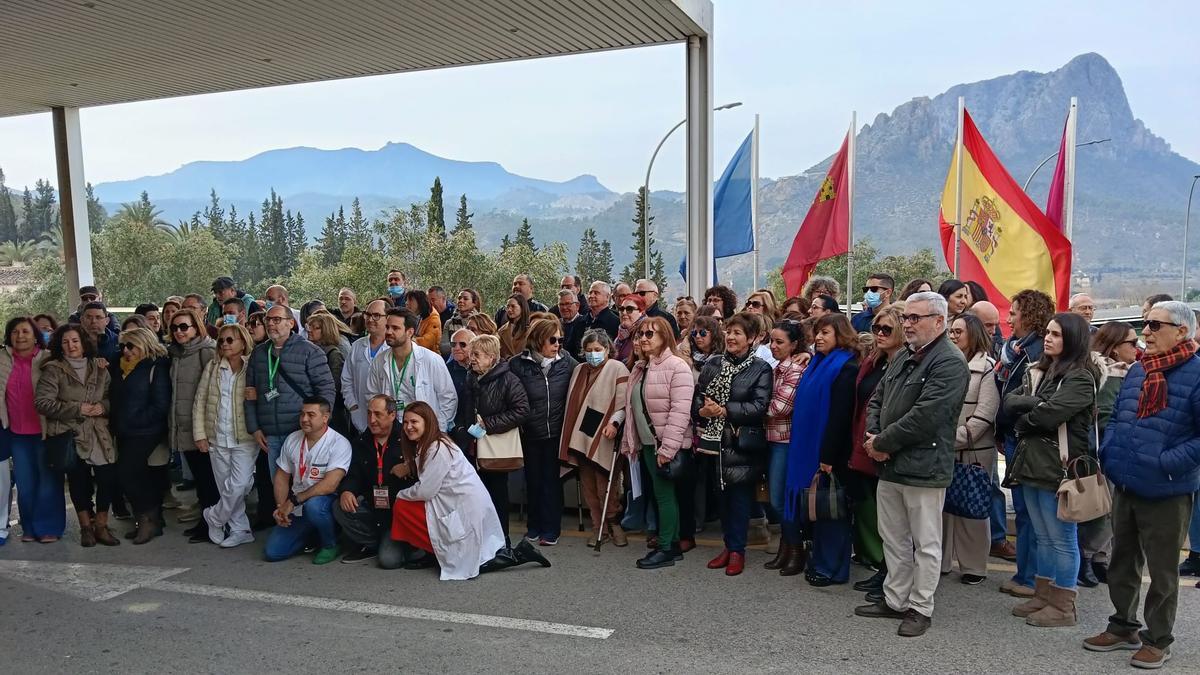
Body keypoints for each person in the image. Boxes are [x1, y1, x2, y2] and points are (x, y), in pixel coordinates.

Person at [1083, 301, 1200, 668]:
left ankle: (1158, 639)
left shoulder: (1197, 374)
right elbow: (1118, 417)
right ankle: (1122, 626)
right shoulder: (1139, 371)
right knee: (1121, 561)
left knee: (1162, 571)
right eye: (1144, 325)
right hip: (1127, 481)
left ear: (1181, 331)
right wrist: (1112, 452)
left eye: (1153, 325)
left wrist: (1166, 463)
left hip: (1166, 489)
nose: (1145, 332)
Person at [855, 291, 968, 638]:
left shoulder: (949, 362)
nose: (908, 324)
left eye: (915, 318)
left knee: (926, 542)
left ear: (939, 321)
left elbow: (927, 417)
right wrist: (875, 438)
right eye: (907, 318)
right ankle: (895, 599)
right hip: (890, 465)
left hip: (923, 467)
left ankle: (921, 607)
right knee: (894, 538)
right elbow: (878, 399)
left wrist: (883, 443)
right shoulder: (905, 355)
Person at [1003, 312, 1098, 627]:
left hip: (1057, 465)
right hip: (1033, 462)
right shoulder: (1042, 370)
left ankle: (1063, 604)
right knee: (1044, 536)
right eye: (1048, 332)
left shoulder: (1081, 376)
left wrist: (1026, 415)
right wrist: (1033, 408)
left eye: (1056, 334)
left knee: (1061, 537)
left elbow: (1050, 415)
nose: (1048, 337)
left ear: (1072, 339)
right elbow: (1011, 400)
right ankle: (1043, 596)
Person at [391, 401, 548, 579]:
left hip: (463, 508)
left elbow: (426, 491)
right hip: (459, 504)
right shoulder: (431, 443)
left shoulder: (437, 448)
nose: (408, 427)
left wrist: (401, 494)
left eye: (414, 422)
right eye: (405, 422)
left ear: (427, 422)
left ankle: (519, 554)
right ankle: (434, 553)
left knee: (468, 562)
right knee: (470, 556)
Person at [779, 314, 858, 585]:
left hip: (829, 453)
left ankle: (832, 568)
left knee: (832, 511)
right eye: (818, 332)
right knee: (819, 510)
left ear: (841, 335)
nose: (819, 337)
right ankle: (820, 560)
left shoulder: (846, 366)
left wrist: (827, 456)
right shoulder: (817, 363)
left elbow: (840, 417)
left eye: (826, 332)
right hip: (808, 448)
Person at [694, 312, 773, 577]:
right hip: (712, 441)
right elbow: (699, 396)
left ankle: (738, 550)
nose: (731, 337)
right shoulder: (713, 363)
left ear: (751, 338)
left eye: (738, 333)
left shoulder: (760, 368)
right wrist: (703, 411)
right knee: (722, 498)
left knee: (739, 498)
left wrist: (725, 410)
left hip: (740, 444)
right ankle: (728, 546)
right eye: (729, 331)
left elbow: (759, 406)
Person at [994, 289, 1055, 596]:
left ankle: (1030, 578)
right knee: (1025, 510)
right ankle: (1026, 575)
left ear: (1029, 316)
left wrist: (1010, 411)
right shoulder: (1014, 349)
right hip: (1012, 435)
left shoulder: (1034, 354)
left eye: (1014, 312)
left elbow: (1024, 398)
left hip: (1023, 436)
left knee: (1030, 513)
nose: (1009, 317)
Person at [35, 324, 118, 547]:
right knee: (78, 480)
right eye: (65, 341)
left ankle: (101, 524)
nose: (71, 345)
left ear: (83, 343)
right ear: (59, 345)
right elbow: (42, 403)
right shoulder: (53, 369)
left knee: (107, 478)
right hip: (69, 433)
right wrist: (77, 409)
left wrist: (103, 406)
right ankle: (86, 528)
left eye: (75, 341)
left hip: (99, 433)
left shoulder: (100, 366)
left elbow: (112, 396)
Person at [619, 319, 692, 568]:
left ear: (665, 336)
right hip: (649, 443)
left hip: (664, 444)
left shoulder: (677, 367)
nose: (643, 338)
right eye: (640, 334)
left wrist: (668, 449)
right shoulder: (641, 367)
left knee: (664, 496)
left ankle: (666, 548)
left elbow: (680, 411)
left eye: (650, 333)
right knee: (662, 495)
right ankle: (670, 544)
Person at [245, 303, 336, 498]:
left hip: (302, 431)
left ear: (290, 323)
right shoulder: (259, 353)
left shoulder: (310, 351)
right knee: (279, 485)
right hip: (271, 434)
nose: (271, 324)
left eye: (277, 319)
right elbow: (250, 394)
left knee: (306, 486)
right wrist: (254, 427)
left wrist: (321, 424)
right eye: (268, 320)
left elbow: (326, 389)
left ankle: (308, 526)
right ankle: (286, 522)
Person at [848, 306, 905, 601]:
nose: (879, 334)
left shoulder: (907, 364)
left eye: (887, 329)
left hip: (890, 448)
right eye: (877, 328)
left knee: (894, 522)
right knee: (876, 514)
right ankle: (884, 569)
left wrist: (881, 442)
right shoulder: (874, 361)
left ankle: (894, 577)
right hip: (865, 442)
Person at [509, 318, 579, 546]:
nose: (557, 344)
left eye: (560, 339)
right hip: (530, 433)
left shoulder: (567, 362)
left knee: (552, 482)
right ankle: (534, 525)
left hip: (556, 434)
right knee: (533, 481)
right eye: (552, 339)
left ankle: (551, 529)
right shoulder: (518, 364)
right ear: (539, 340)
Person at [558, 330, 630, 548]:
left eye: (598, 350)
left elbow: (622, 403)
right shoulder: (579, 370)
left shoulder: (617, 368)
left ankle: (614, 522)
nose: (593, 354)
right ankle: (598, 527)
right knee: (588, 487)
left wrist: (614, 423)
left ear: (607, 349)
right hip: (580, 435)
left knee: (606, 485)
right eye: (588, 351)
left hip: (606, 434)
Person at [942, 314, 999, 585]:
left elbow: (986, 411)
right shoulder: (945, 363)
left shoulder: (986, 368)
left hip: (975, 450)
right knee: (941, 509)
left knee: (972, 509)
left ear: (973, 334)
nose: (953, 336)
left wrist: (959, 437)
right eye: (951, 331)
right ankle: (940, 562)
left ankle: (974, 566)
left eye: (958, 332)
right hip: (943, 447)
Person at [1080, 321, 1138, 587]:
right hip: (1105, 452)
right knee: (1101, 509)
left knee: (1111, 510)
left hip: (1120, 452)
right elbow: (1102, 417)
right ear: (1115, 348)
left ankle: (1099, 557)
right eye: (1132, 344)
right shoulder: (1106, 376)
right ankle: (1088, 556)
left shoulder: (1131, 372)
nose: (1138, 348)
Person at [333, 395, 421, 567]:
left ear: (392, 415)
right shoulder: (361, 442)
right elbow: (354, 473)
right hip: (374, 506)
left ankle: (402, 544)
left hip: (399, 511)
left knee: (389, 561)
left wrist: (411, 465)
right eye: (369, 414)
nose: (372, 420)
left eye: (378, 414)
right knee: (338, 506)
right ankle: (372, 543)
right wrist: (347, 490)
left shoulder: (408, 438)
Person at [191, 323, 258, 548]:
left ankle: (214, 517)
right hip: (217, 436)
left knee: (239, 485)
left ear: (243, 342)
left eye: (230, 340)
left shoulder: (252, 367)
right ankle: (240, 529)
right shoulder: (213, 367)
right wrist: (200, 434)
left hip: (244, 437)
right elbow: (200, 401)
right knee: (226, 486)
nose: (225, 344)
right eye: (221, 340)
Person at [262, 397, 351, 564]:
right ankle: (311, 535)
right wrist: (282, 507)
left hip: (325, 502)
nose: (304, 419)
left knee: (314, 506)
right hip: (297, 505)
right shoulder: (292, 439)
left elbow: (330, 485)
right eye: (302, 414)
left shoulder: (339, 443)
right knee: (273, 553)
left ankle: (330, 543)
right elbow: (281, 476)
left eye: (311, 415)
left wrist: (294, 500)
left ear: (325, 417)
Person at [1, 317, 60, 544]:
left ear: (36, 335)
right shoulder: (3, 359)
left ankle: (49, 527)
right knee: (25, 485)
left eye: (25, 331)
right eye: (15, 332)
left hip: (45, 431)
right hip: (16, 432)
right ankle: (29, 527)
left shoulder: (47, 359)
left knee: (48, 481)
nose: (20, 336)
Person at [167, 307, 219, 543]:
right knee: (200, 479)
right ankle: (206, 521)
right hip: (182, 425)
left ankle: (212, 524)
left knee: (208, 479)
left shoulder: (206, 351)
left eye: (184, 326)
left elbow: (212, 390)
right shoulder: (175, 354)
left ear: (196, 326)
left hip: (202, 428)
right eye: (175, 327)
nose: (179, 332)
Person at [763, 318, 810, 569]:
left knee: (781, 500)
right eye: (771, 340)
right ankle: (787, 547)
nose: (773, 346)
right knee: (776, 498)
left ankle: (796, 548)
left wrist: (750, 409)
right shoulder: (778, 368)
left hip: (785, 440)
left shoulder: (795, 370)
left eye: (779, 342)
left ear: (794, 345)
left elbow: (780, 408)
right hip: (773, 439)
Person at [367, 308, 458, 432]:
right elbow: (372, 394)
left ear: (410, 332)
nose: (388, 332)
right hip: (392, 429)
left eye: (395, 328)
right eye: (387, 327)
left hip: (424, 430)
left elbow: (448, 398)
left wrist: (437, 429)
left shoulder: (431, 360)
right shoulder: (379, 361)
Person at [343, 299, 388, 435]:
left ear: (388, 318)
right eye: (367, 314)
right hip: (360, 416)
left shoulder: (393, 348)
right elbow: (346, 379)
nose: (370, 319)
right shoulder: (357, 346)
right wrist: (353, 406)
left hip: (387, 420)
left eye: (376, 315)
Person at [306, 312, 349, 435]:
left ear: (326, 330)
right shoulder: (309, 351)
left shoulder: (333, 354)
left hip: (331, 412)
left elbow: (334, 386)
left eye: (316, 328)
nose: (310, 330)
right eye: (310, 327)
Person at [441, 289, 479, 357]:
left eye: (465, 299)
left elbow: (483, 344)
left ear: (474, 303)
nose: (461, 301)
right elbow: (443, 347)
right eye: (459, 298)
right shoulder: (450, 323)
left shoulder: (482, 322)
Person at [614, 294, 647, 364]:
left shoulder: (646, 335)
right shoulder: (621, 335)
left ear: (641, 312)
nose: (624, 313)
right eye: (621, 309)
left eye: (629, 309)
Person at [446, 328, 475, 406]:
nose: (456, 348)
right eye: (453, 344)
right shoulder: (445, 371)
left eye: (462, 344)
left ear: (473, 346)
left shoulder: (481, 368)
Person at [497, 293, 531, 359]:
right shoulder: (502, 330)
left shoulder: (531, 328)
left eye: (513, 306)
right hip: (507, 366)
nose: (509, 310)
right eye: (508, 307)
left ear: (522, 307)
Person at [556, 290, 587, 359]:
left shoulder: (585, 324)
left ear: (577, 305)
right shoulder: (555, 325)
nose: (564, 308)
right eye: (561, 304)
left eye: (568, 304)